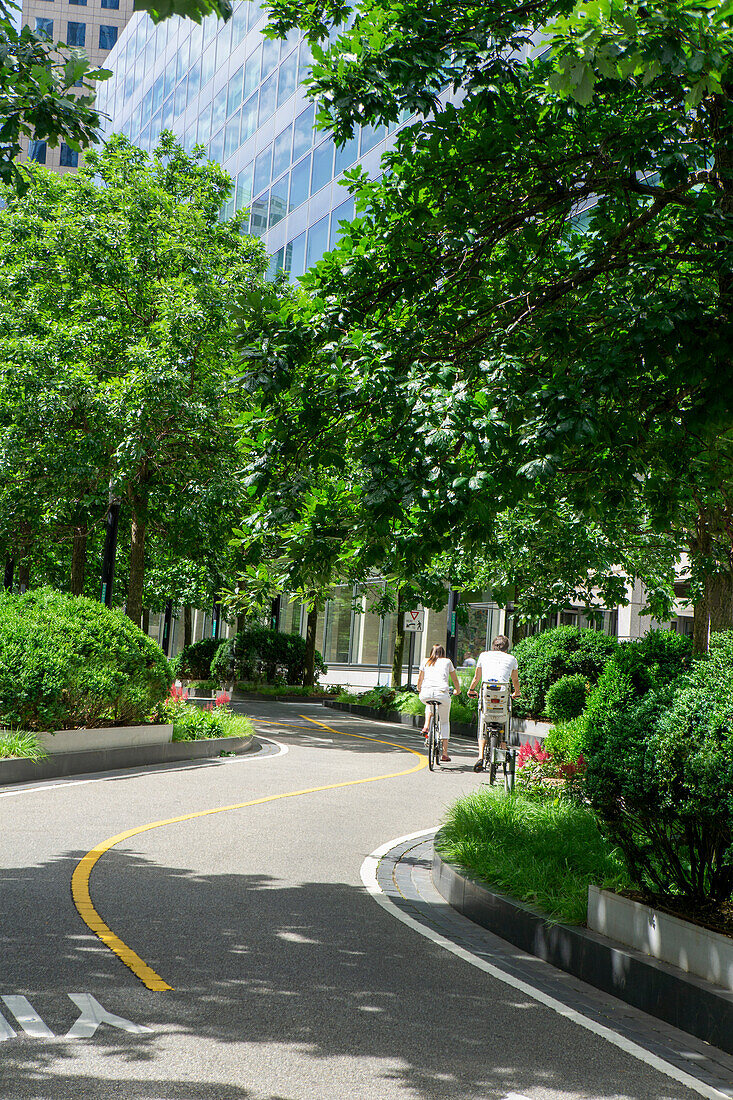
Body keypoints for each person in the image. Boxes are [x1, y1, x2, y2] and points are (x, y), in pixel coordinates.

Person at [467, 634, 520, 772]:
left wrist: (471, 689)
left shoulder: (484, 656)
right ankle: (503, 746)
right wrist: (517, 692)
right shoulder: (512, 659)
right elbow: (515, 680)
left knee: (483, 723)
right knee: (506, 716)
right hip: (503, 693)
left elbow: (477, 677)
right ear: (507, 648)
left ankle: (480, 756)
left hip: (486, 693)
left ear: (493, 646)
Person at [417, 643, 461, 763]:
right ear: (443, 653)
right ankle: (445, 753)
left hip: (426, 693)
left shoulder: (425, 661)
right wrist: (458, 690)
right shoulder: (447, 662)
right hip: (442, 694)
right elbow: (454, 679)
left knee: (428, 703)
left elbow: (420, 678)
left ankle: (426, 726)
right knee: (444, 722)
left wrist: (419, 688)